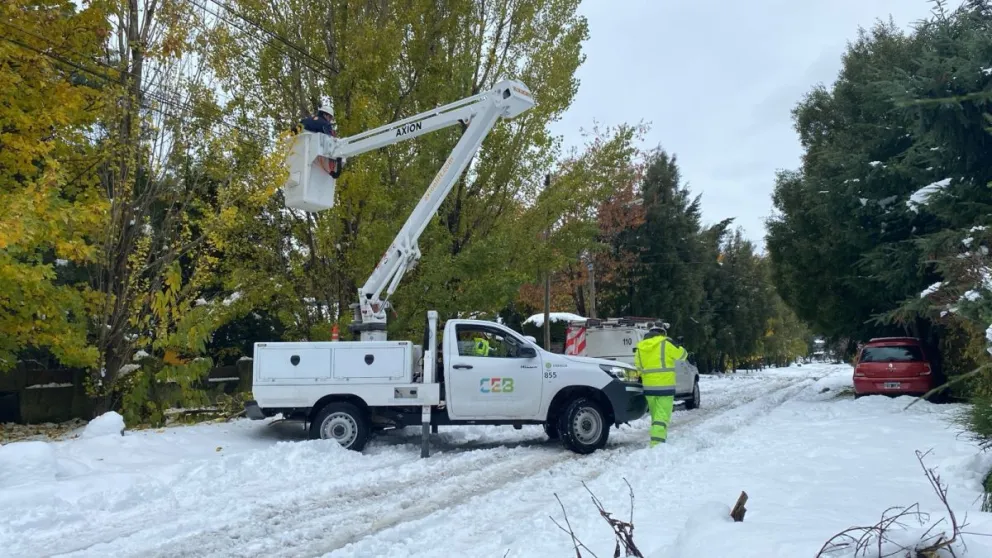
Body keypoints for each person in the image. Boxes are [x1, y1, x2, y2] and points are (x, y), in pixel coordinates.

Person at [634, 325, 687, 447]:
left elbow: (638, 368)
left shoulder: (640, 347)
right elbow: (683, 356)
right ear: (663, 333)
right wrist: (679, 344)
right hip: (665, 386)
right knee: (662, 417)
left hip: (649, 388)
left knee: (656, 417)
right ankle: (657, 444)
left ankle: (658, 439)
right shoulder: (666, 343)